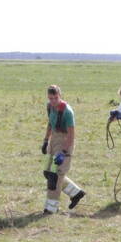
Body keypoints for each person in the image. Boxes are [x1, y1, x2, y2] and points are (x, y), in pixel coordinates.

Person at [41, 84, 85, 214]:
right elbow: (50, 123)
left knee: (55, 176)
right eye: (50, 98)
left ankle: (51, 208)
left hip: (65, 142)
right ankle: (76, 193)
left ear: (60, 96)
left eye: (55, 98)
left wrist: (64, 152)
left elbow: (71, 135)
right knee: (47, 172)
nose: (53, 101)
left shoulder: (67, 112)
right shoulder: (49, 107)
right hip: (53, 140)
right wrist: (45, 140)